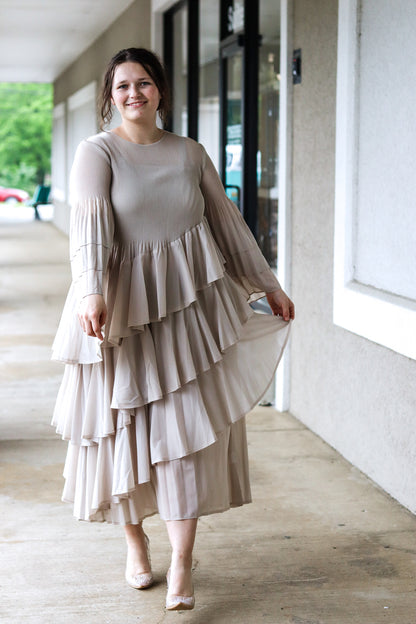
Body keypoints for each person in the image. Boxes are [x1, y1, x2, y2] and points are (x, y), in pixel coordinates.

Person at [52, 47, 295, 612]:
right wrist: (91, 290)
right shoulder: (98, 151)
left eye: (143, 83)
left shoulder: (189, 153)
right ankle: (135, 542)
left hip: (189, 312)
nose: (133, 94)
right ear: (110, 97)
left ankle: (183, 561)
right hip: (119, 313)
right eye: (122, 87)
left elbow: (228, 226)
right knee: (122, 430)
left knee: (182, 436)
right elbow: (88, 228)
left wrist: (267, 285)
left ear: (160, 90)